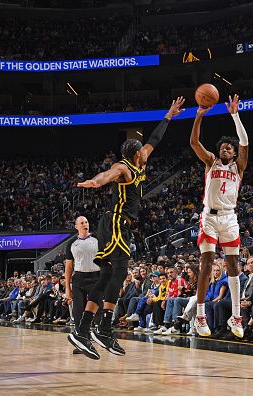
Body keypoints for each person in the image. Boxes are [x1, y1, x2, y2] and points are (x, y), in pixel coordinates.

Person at [68, 96, 185, 360]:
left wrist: (168, 115)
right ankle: (97, 329)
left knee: (110, 276)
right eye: (141, 152)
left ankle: (92, 329)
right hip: (115, 223)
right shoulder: (123, 167)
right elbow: (106, 175)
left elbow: (154, 140)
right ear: (134, 155)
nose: (145, 153)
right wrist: (94, 182)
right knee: (118, 273)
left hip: (122, 225)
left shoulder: (142, 156)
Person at [190, 94, 249, 338]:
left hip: (229, 217)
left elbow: (245, 141)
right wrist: (198, 117)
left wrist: (235, 115)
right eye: (223, 146)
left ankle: (237, 317)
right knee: (207, 261)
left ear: (234, 154)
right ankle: (200, 315)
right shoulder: (211, 162)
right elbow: (194, 143)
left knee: (233, 264)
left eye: (229, 147)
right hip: (210, 216)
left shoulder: (239, 167)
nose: (225, 148)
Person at [64, 216, 100, 327]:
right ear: (76, 227)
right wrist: (67, 288)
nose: (85, 224)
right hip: (79, 278)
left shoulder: (98, 239)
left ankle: (102, 333)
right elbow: (69, 266)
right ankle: (81, 333)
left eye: (86, 222)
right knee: (78, 309)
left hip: (96, 277)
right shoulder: (71, 243)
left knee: (98, 308)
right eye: (82, 223)